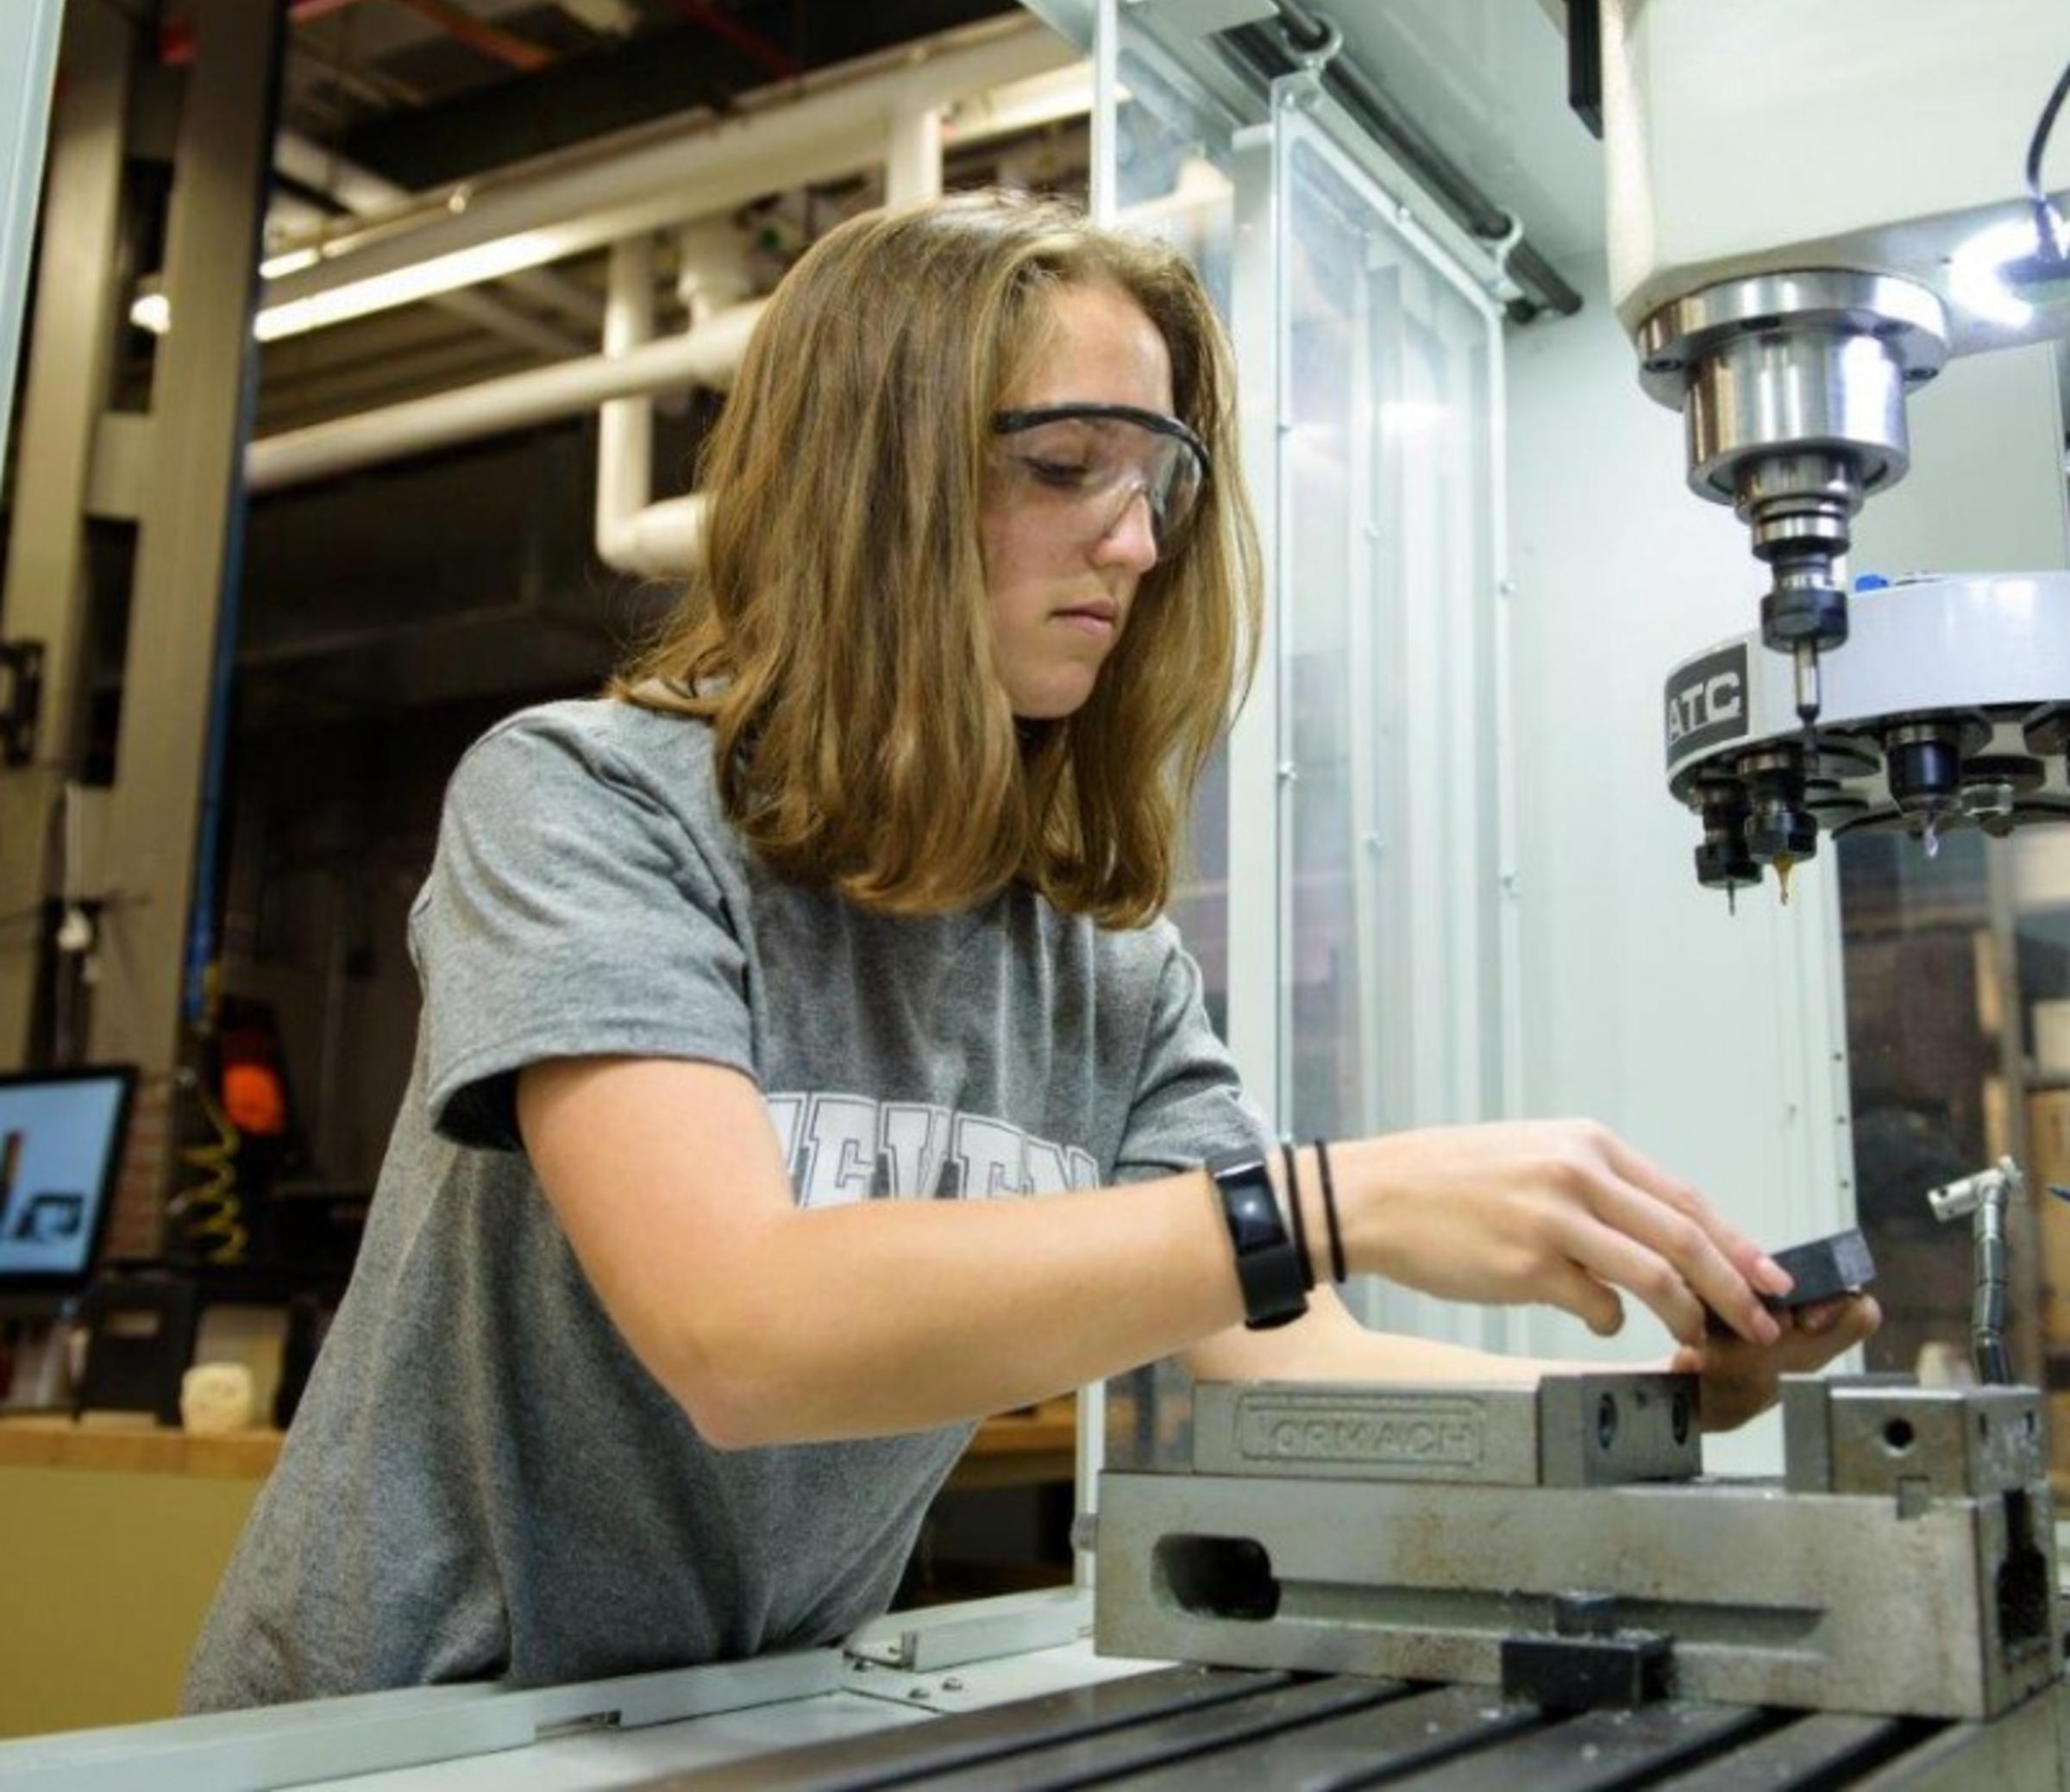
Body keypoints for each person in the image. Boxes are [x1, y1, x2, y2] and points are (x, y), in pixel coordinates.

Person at [184, 191, 1876, 1710]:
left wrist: (1670, 1402)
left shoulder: (1103, 974)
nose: (1134, 545)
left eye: (1159, 485)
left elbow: (1290, 1356)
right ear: (870, 483)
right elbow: (738, 1332)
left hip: (734, 1725)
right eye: (1065, 467)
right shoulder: (587, 805)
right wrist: (1329, 1200)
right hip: (392, 1731)